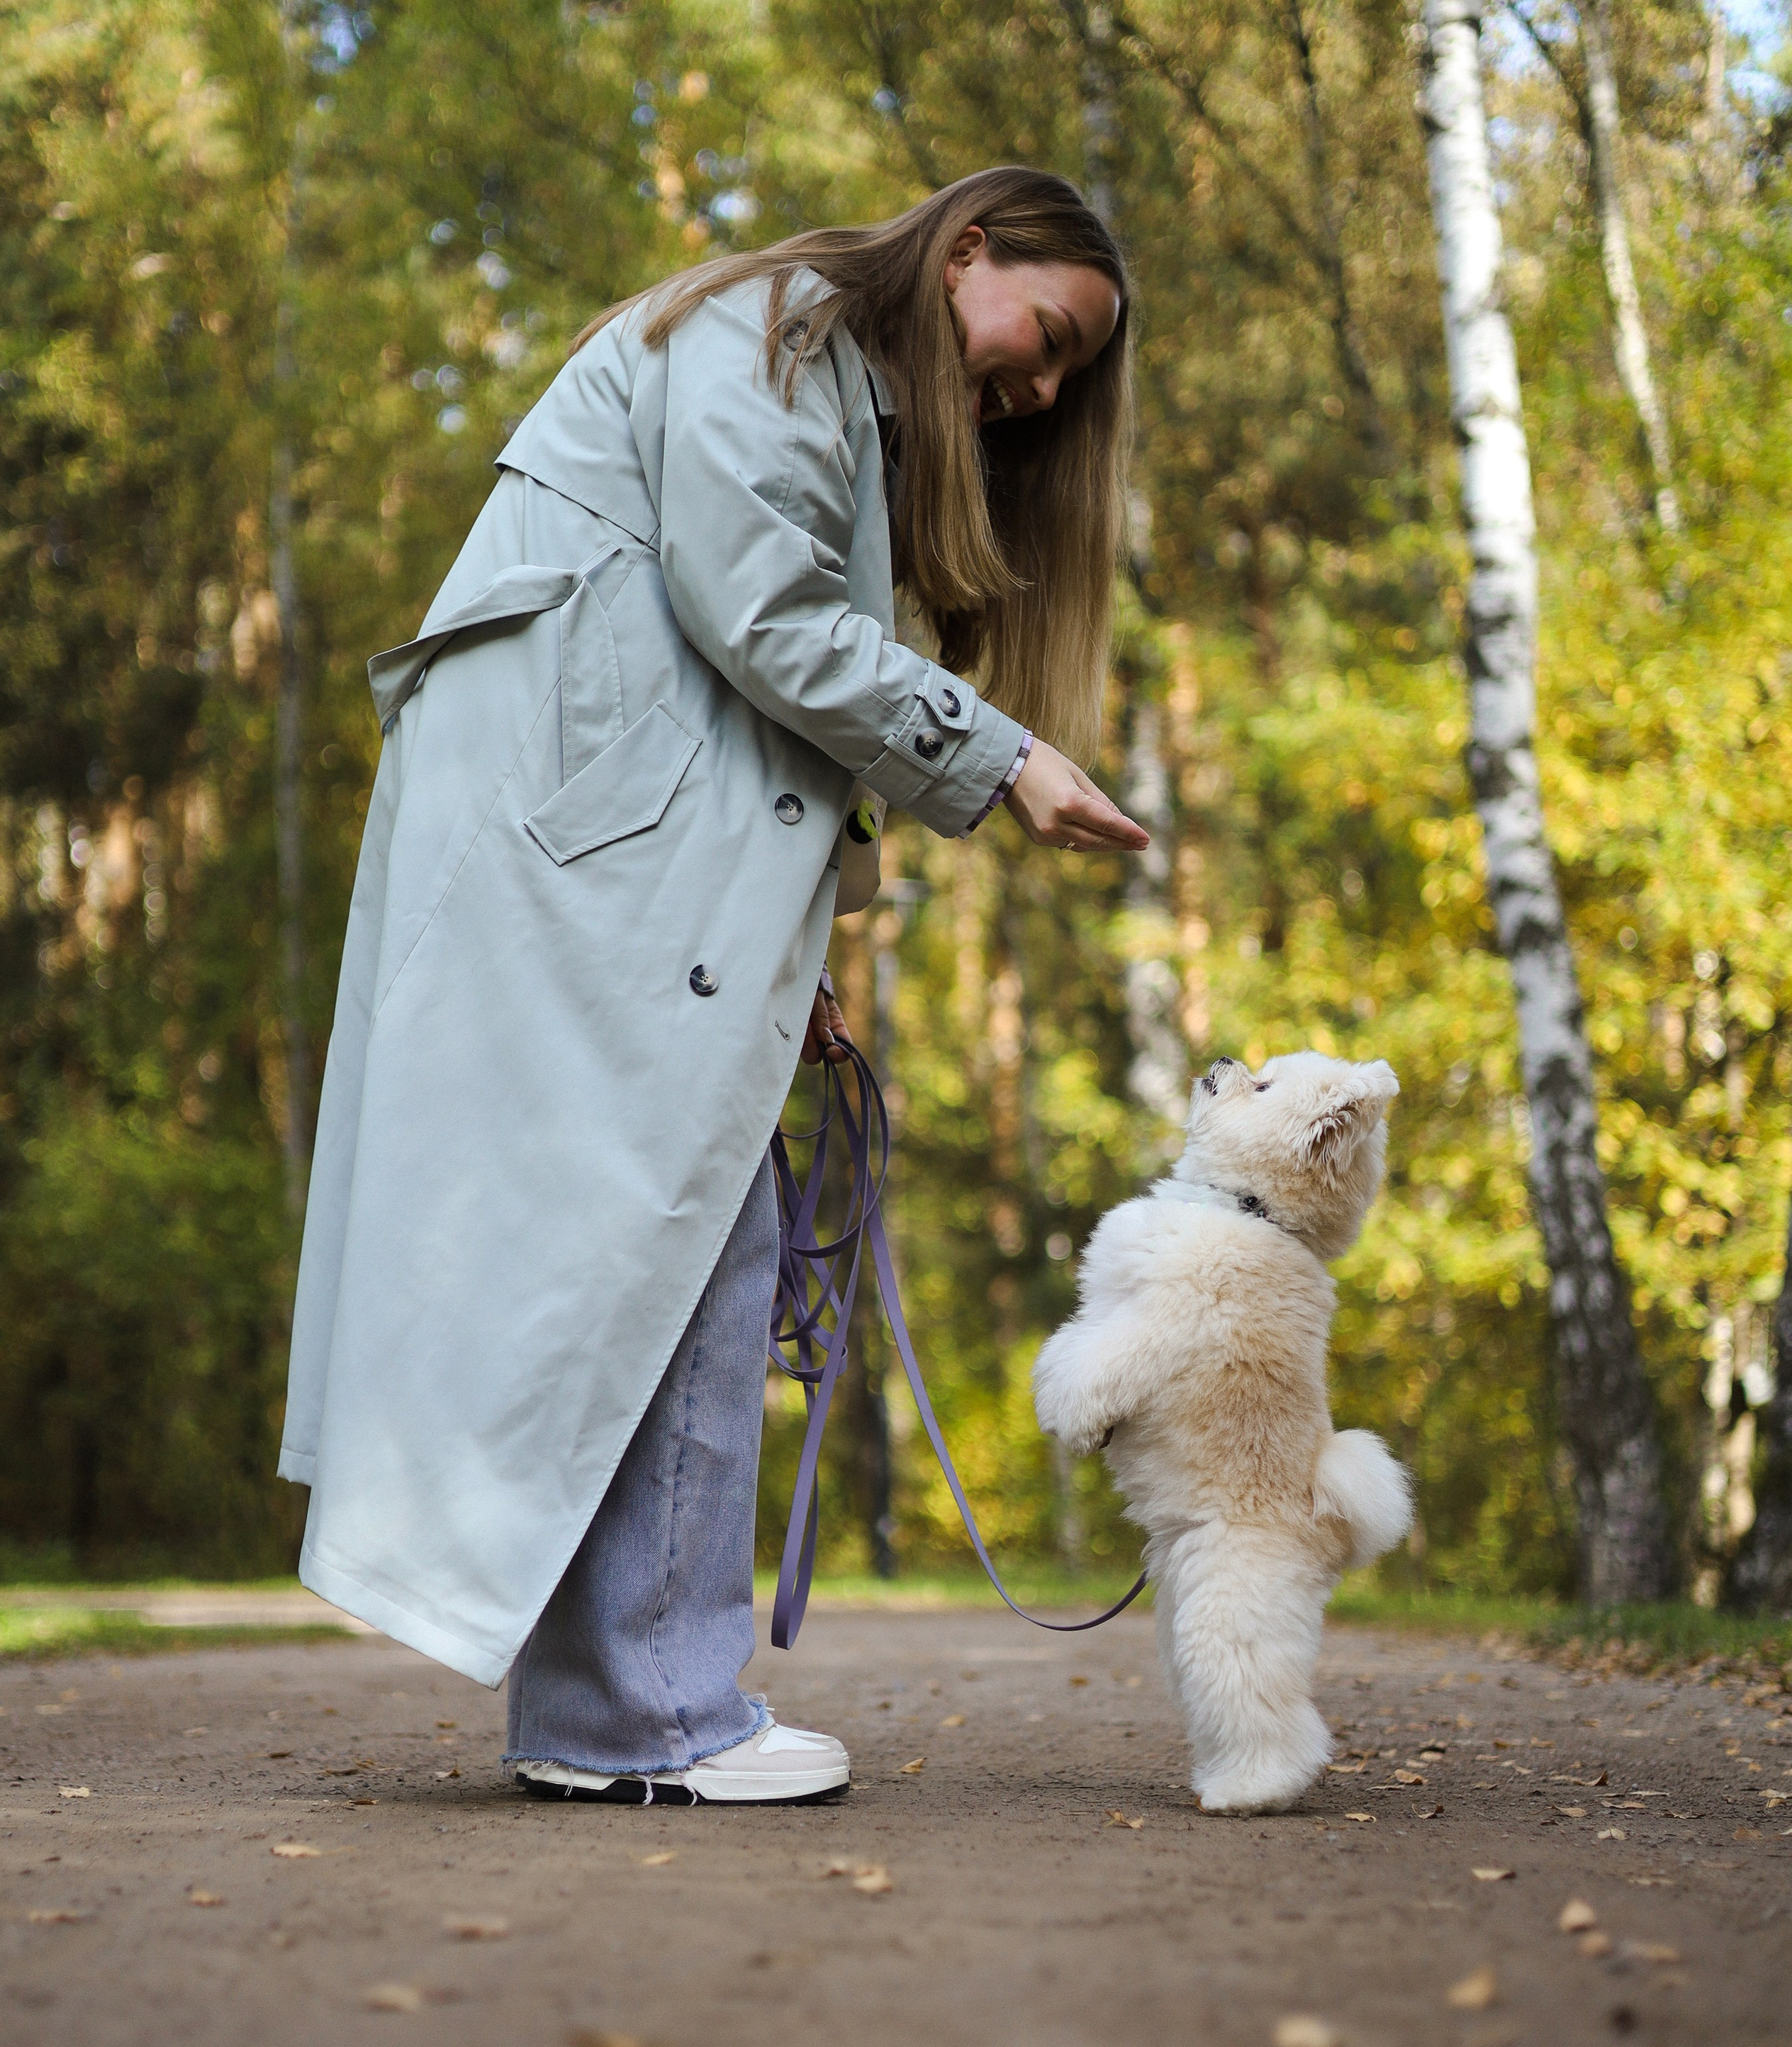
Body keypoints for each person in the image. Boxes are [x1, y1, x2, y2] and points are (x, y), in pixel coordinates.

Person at [279, 165, 1148, 1806]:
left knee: (679, 1231)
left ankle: (607, 1705)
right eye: (1043, 337)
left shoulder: (824, 384)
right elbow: (759, 623)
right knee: (694, 1233)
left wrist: (799, 957)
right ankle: (644, 1715)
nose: (1036, 391)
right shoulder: (768, 337)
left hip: (605, 839)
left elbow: (758, 709)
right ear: (967, 251)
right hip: (577, 830)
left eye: (1058, 382)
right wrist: (1007, 758)